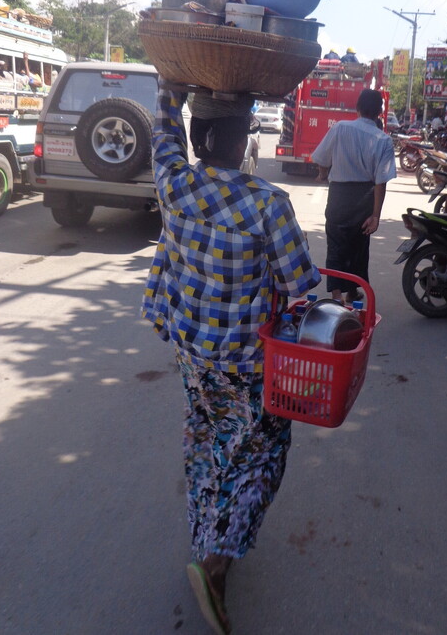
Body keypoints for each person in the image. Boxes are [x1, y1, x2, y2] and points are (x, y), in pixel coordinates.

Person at [141, 83, 320, 635]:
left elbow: (162, 136)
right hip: (247, 363)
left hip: (191, 350)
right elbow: (300, 286)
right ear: (234, 138)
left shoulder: (174, 182)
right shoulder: (267, 202)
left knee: (205, 439)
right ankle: (216, 561)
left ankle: (204, 541)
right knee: (263, 450)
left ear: (200, 138)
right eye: (246, 130)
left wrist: (171, 89)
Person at [311, 89, 396, 304]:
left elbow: (321, 157)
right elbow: (380, 182)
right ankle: (352, 293)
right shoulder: (383, 140)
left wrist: (323, 174)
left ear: (357, 108)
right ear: (379, 112)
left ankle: (337, 296)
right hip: (364, 198)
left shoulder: (340, 128)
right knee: (359, 247)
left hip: (339, 196)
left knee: (336, 245)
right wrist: (376, 215)